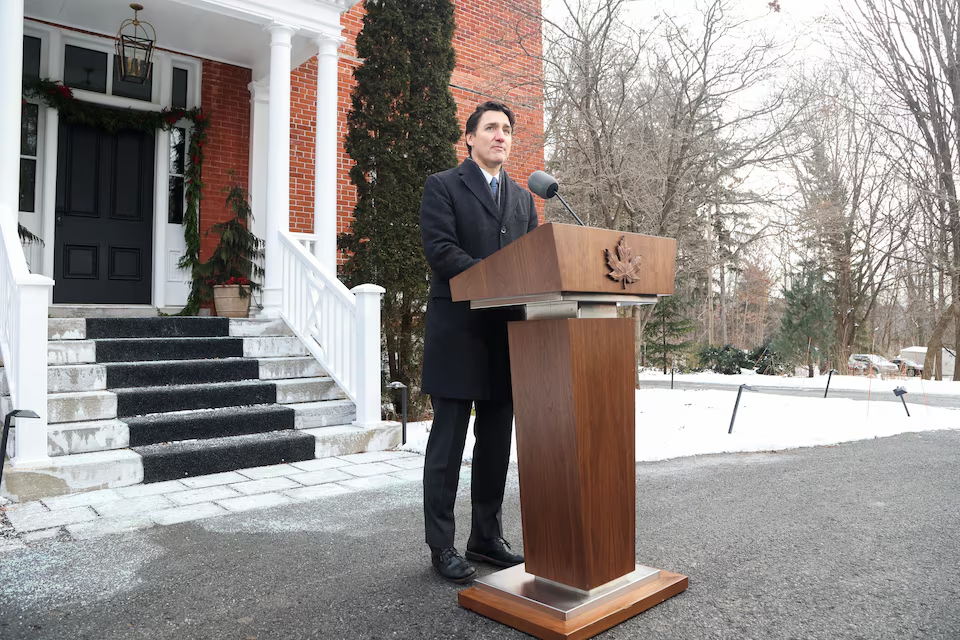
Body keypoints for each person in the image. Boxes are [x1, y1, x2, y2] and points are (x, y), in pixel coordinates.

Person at [419, 101, 539, 583]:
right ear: (469, 138)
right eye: (490, 128)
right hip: (459, 330)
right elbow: (441, 250)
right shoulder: (443, 186)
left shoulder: (524, 199)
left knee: (495, 444)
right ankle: (442, 545)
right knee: (447, 446)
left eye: (507, 129)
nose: (500, 136)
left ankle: (485, 536)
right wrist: (498, 281)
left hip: (505, 336)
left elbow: (533, 260)